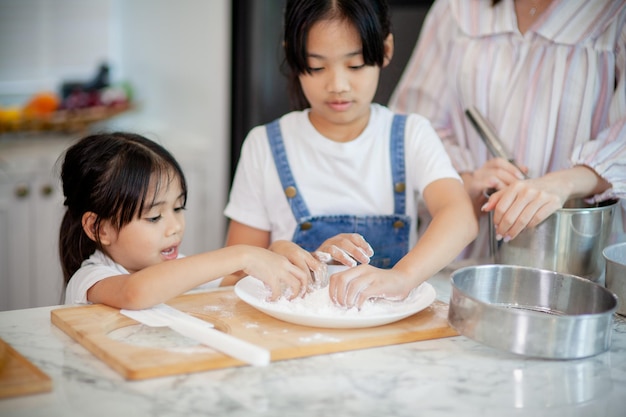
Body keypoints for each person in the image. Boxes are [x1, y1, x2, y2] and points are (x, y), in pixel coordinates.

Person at [223, 0, 478, 308]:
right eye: (317, 67)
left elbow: (461, 218)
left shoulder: (410, 134)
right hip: (293, 337)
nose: (338, 85)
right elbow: (233, 278)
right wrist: (275, 256)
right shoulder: (263, 145)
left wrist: (402, 277)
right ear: (293, 55)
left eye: (355, 65)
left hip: (388, 336)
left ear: (384, 50)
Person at [390, 0, 626, 259]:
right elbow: (411, 125)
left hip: (579, 251)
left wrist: (562, 184)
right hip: (464, 252)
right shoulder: (456, 9)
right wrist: (462, 180)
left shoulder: (615, 15)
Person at [59, 132, 309, 309]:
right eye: (154, 217)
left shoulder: (177, 267)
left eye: (179, 208)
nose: (176, 226)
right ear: (98, 228)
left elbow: (239, 281)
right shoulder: (89, 279)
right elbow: (134, 292)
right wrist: (242, 254)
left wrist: (275, 253)